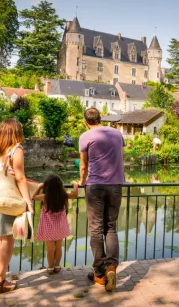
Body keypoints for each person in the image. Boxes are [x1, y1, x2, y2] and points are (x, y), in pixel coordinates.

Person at [0, 119, 34, 296]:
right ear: (16, 132)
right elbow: (20, 177)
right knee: (8, 241)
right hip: (9, 200)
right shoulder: (16, 149)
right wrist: (28, 202)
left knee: (1, 241)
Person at [79, 108, 125, 292]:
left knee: (96, 229)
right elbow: (120, 158)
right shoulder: (117, 134)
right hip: (115, 184)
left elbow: (84, 165)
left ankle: (99, 273)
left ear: (85, 121)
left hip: (95, 186)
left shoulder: (86, 136)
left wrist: (82, 182)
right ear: (101, 118)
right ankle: (112, 267)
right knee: (111, 226)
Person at [33, 175, 78, 274]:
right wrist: (75, 184)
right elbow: (74, 194)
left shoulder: (45, 197)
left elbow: (34, 197)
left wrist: (39, 187)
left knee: (50, 249)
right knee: (58, 247)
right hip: (60, 227)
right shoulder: (63, 195)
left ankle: (50, 267)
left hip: (48, 227)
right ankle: (57, 266)